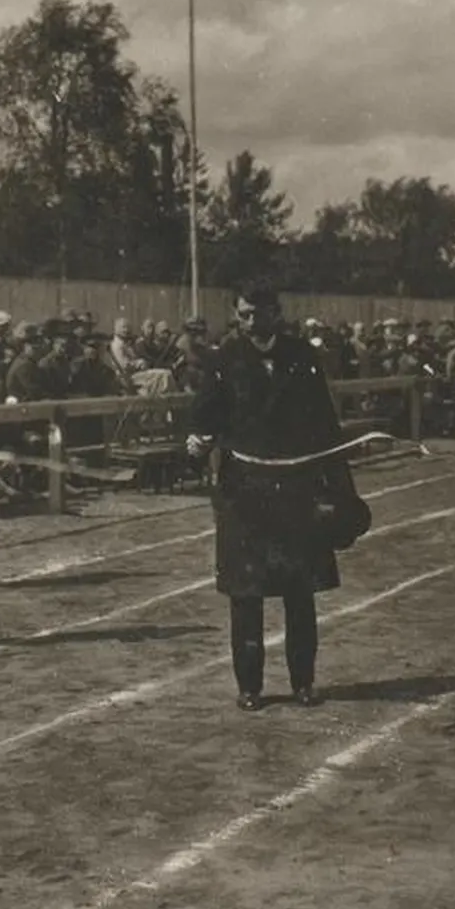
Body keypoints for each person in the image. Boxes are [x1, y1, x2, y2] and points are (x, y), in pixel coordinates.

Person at [187, 285, 371, 712]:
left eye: (260, 314)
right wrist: (196, 442)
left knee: (299, 592)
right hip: (244, 495)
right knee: (245, 595)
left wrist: (340, 491)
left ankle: (303, 682)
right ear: (237, 315)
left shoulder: (303, 357)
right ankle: (249, 687)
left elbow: (325, 424)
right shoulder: (224, 359)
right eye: (244, 315)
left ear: (276, 313)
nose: (252, 323)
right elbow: (204, 417)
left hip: (295, 492)